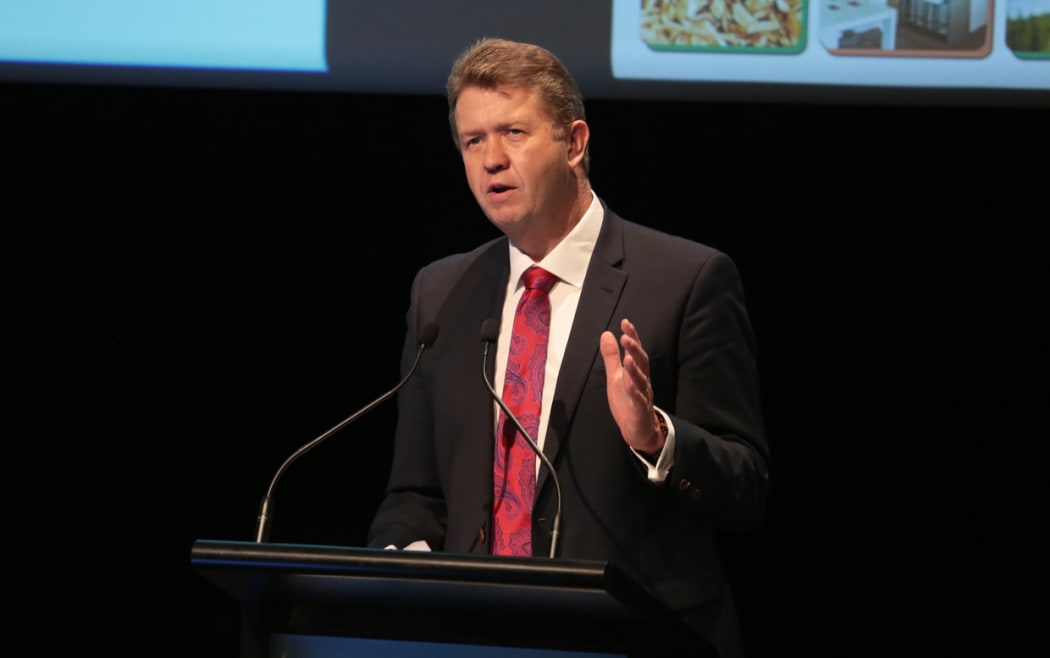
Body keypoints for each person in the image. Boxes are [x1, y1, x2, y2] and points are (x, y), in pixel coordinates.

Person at [367, 37, 770, 658]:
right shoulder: (440, 292)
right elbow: (414, 496)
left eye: (514, 133)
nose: (491, 160)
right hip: (471, 638)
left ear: (575, 142)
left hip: (635, 638)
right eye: (473, 141)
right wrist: (407, 570)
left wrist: (656, 438)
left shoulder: (685, 279)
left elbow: (745, 488)